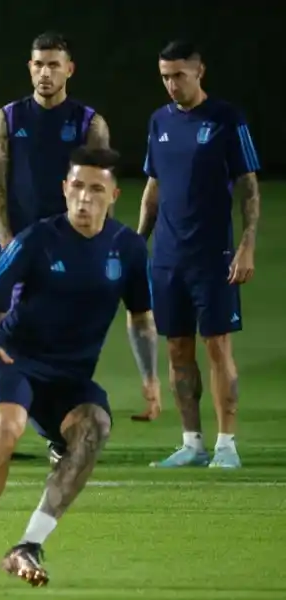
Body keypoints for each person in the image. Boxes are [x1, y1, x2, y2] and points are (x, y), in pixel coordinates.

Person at [0, 146, 159, 587]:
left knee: (95, 428)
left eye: (96, 189)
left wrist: (150, 378)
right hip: (15, 361)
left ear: (113, 195)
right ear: (64, 189)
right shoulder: (38, 239)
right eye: (77, 186)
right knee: (5, 429)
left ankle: (28, 544)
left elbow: (140, 317)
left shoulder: (128, 248)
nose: (84, 198)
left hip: (69, 380)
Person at [0, 31, 125, 464]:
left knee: (63, 334)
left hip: (67, 250)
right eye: (38, 64)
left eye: (54, 64)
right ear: (29, 68)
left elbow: (101, 188)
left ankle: (56, 430)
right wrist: (7, 242)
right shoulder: (6, 119)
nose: (45, 73)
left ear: (69, 69)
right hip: (17, 245)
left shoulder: (89, 123)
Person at [138, 41, 261, 469]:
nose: (172, 85)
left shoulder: (227, 118)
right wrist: (139, 241)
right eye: (165, 77)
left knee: (217, 346)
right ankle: (192, 444)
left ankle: (227, 445)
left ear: (199, 72)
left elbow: (248, 185)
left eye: (179, 76)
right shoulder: (159, 121)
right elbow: (153, 187)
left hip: (212, 255)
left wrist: (247, 244)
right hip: (168, 256)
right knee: (177, 349)